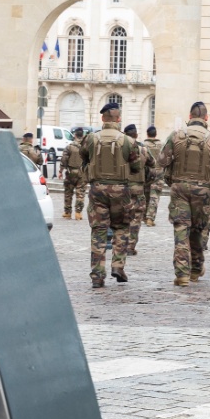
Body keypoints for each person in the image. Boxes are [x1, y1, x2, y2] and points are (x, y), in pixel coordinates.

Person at [157, 101, 210, 286]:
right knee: (198, 231)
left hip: (180, 189)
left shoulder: (176, 136)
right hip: (203, 191)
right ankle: (196, 270)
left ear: (189, 117)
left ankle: (181, 274)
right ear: (206, 118)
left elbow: (162, 160)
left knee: (181, 230)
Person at [78, 103, 142, 287]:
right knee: (121, 227)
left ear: (103, 119)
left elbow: (84, 157)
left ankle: (97, 275)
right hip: (120, 190)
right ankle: (118, 265)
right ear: (119, 119)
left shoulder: (91, 139)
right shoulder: (128, 141)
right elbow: (137, 166)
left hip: (97, 189)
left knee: (98, 231)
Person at [123, 123, 146, 256]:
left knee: (122, 218)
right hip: (138, 188)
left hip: (122, 188)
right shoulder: (143, 149)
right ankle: (131, 246)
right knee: (136, 218)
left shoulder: (119, 149)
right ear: (136, 135)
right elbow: (152, 165)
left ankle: (120, 244)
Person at [58, 126, 86, 220]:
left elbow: (64, 159)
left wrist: (61, 171)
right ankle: (78, 213)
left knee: (68, 193)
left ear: (74, 135)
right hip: (82, 173)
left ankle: (67, 212)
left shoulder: (69, 147)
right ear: (83, 135)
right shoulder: (86, 148)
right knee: (80, 193)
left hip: (70, 172)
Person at [142, 125, 165, 226]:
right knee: (154, 196)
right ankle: (150, 217)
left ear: (147, 134)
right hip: (158, 173)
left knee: (145, 195)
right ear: (156, 134)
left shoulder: (143, 145)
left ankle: (144, 216)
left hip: (146, 173)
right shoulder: (162, 145)